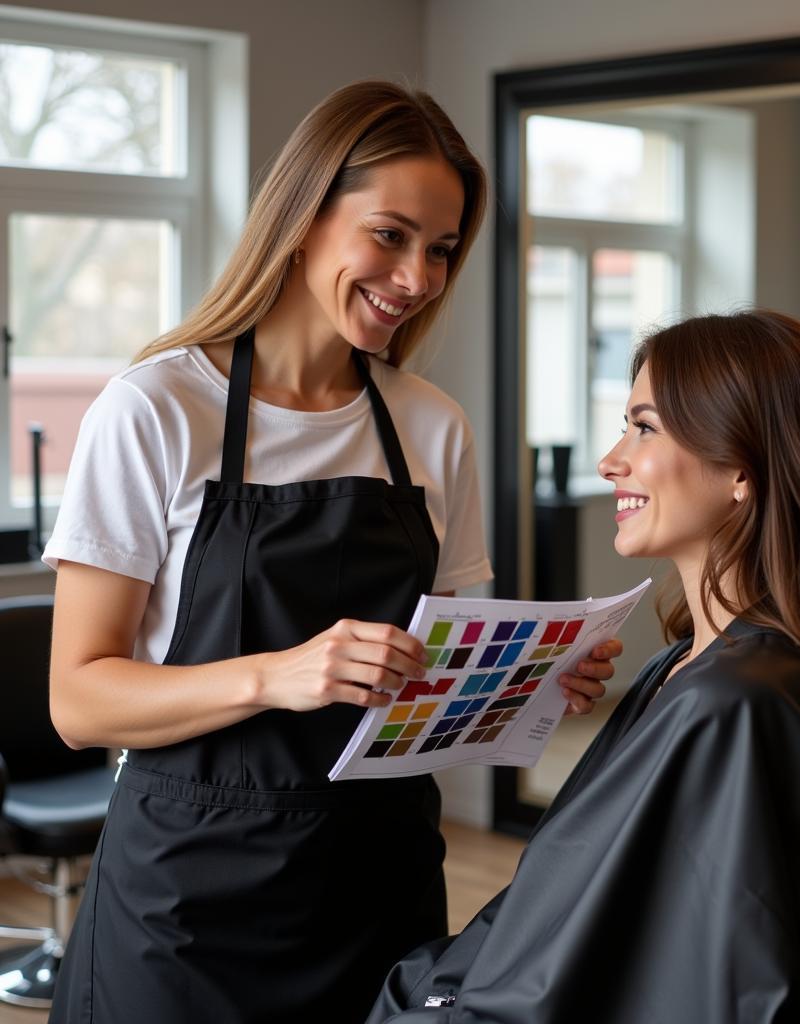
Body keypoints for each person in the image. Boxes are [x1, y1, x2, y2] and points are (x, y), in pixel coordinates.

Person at [44, 81, 618, 1023]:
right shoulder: (155, 410)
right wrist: (279, 675)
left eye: (440, 250)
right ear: (304, 216)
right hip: (186, 907)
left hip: (377, 888)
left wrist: (533, 677)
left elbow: (437, 672)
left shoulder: (432, 428)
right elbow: (78, 701)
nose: (419, 278)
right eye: (389, 236)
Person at [366, 310, 800, 1024]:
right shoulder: (715, 671)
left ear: (741, 469)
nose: (611, 461)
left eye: (644, 428)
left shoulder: (733, 703)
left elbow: (689, 987)